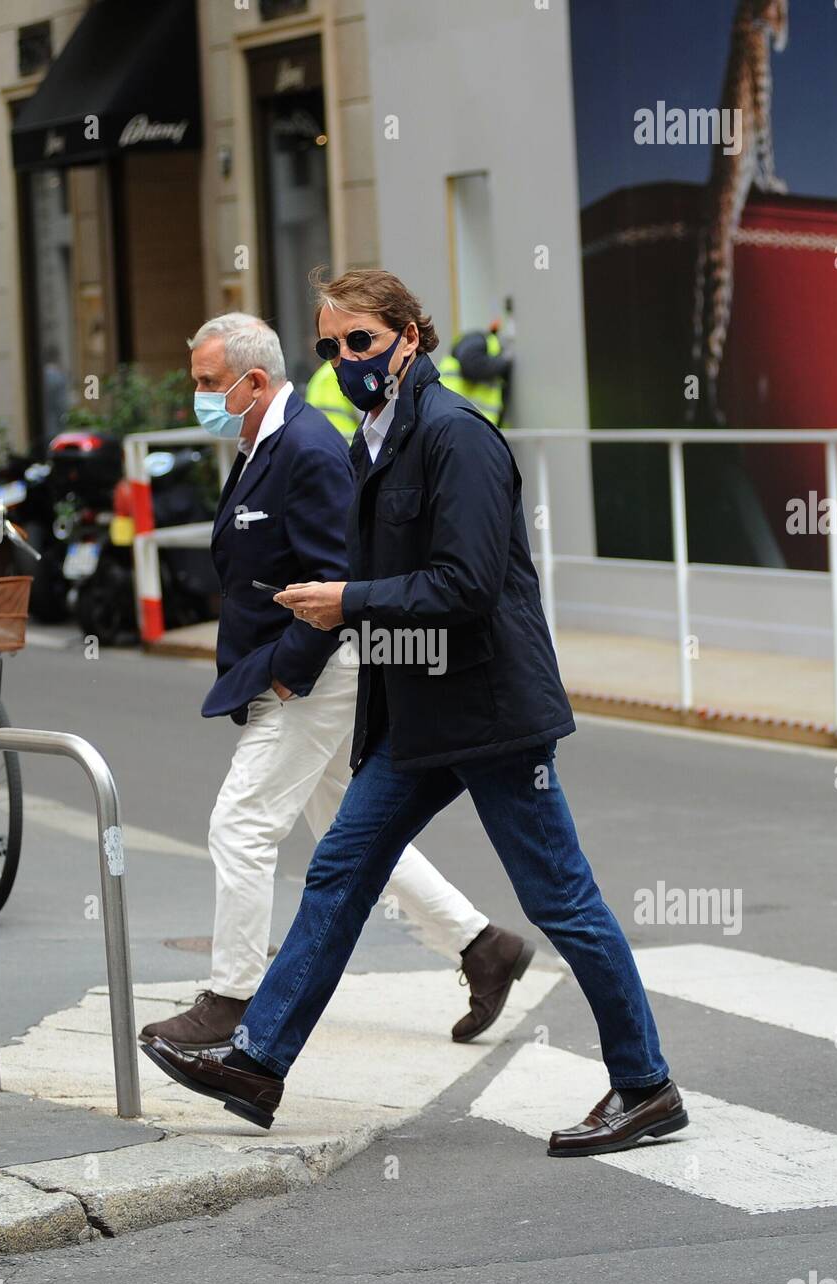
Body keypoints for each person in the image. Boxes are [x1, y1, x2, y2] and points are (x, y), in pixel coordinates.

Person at [142, 278, 686, 1159]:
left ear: (408, 336)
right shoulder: (376, 435)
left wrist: (347, 601)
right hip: (417, 710)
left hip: (491, 710)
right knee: (339, 870)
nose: (343, 360)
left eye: (359, 341)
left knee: (560, 897)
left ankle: (645, 1084)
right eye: (329, 347)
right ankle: (257, 1061)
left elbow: (465, 585)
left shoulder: (454, 434)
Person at [138, 313, 534, 1053]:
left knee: (241, 825)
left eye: (207, 383)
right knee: (346, 834)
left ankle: (230, 999)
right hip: (298, 670)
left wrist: (290, 672)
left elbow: (339, 575)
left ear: (254, 381)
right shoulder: (261, 442)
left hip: (316, 670)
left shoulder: (307, 448)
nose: (198, 397)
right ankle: (482, 945)